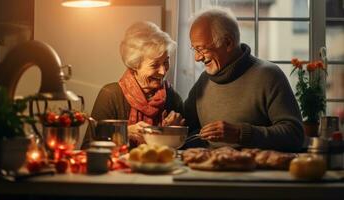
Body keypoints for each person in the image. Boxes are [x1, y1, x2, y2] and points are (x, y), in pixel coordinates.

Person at [184, 7, 304, 152]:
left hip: (255, 171)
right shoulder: (204, 81)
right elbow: (187, 130)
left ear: (228, 43)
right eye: (194, 49)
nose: (197, 58)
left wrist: (241, 134)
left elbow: (295, 135)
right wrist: (174, 125)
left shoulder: (269, 75)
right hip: (209, 168)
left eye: (201, 49)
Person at [82, 21, 184, 149]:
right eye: (155, 65)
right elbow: (88, 147)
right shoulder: (110, 95)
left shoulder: (173, 98)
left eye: (166, 62)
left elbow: (183, 154)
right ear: (135, 64)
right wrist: (124, 133)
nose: (163, 71)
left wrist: (173, 136)